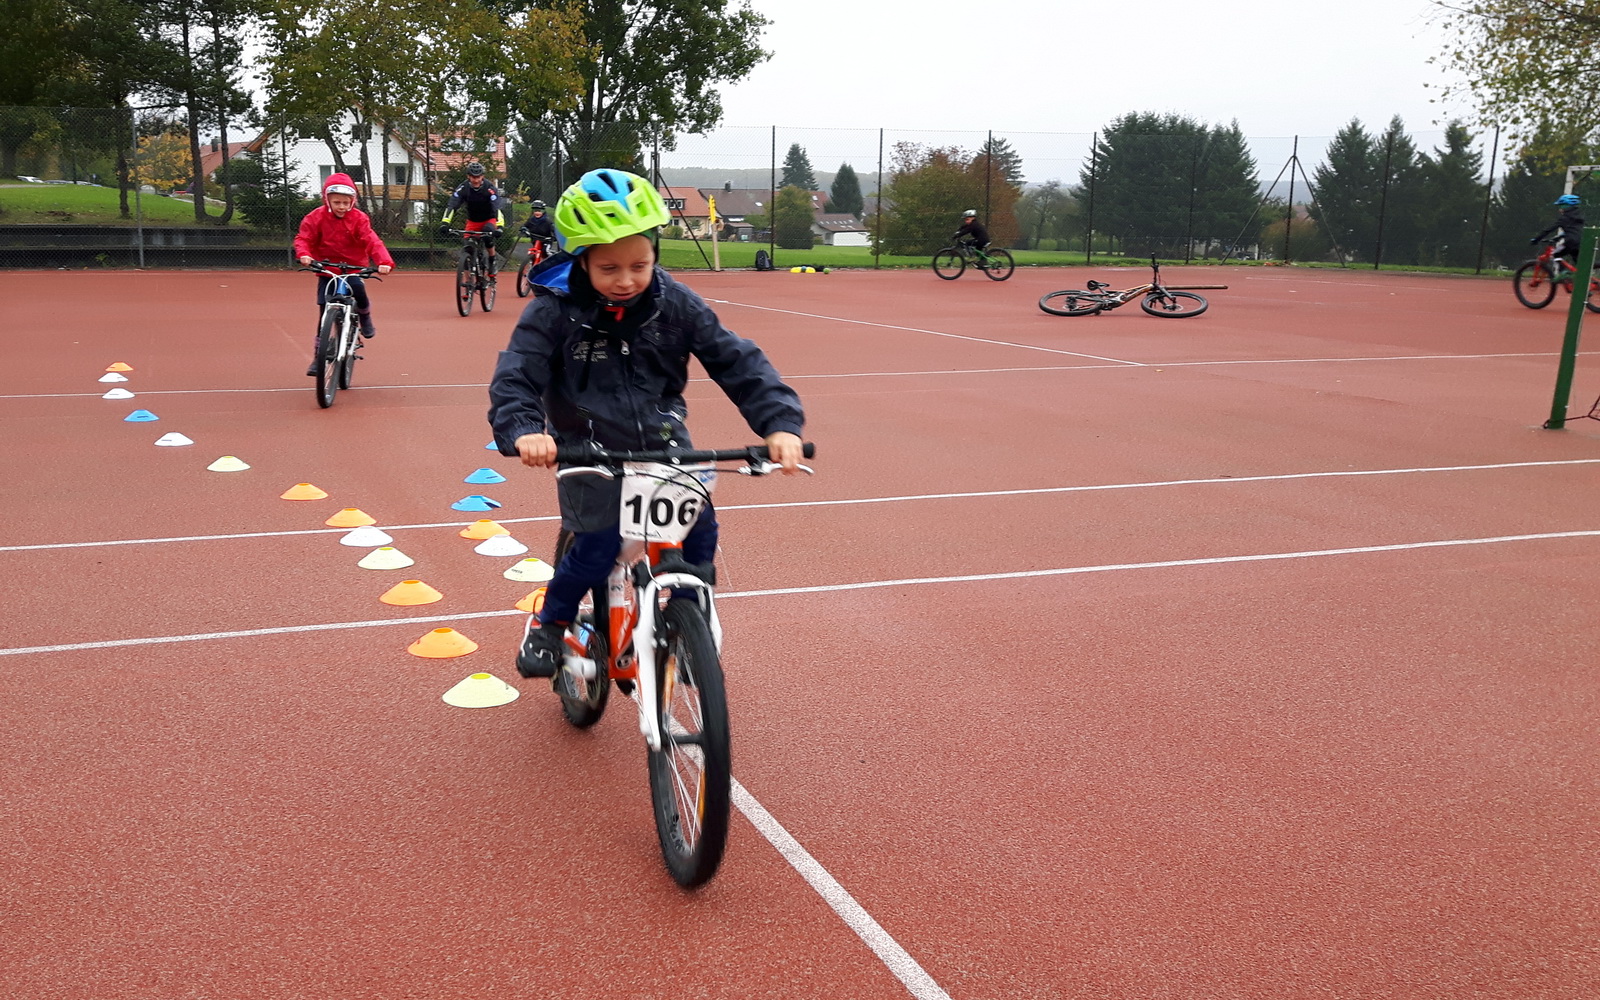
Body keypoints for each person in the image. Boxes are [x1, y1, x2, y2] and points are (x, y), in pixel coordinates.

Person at [488, 168, 806, 680]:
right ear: (580, 260)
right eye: (609, 267)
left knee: (698, 526)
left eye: (640, 264)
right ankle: (550, 624)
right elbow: (517, 373)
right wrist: (525, 429)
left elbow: (735, 360)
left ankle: (688, 613)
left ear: (655, 253)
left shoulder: (674, 303)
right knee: (597, 548)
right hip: (586, 448)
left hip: (662, 439)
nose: (626, 280)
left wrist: (780, 424)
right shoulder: (554, 312)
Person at [294, 173, 394, 377]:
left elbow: (372, 240)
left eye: (346, 203)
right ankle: (319, 357)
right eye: (337, 202)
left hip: (353, 267)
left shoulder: (359, 218)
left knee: (358, 288)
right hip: (327, 268)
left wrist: (384, 261)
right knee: (324, 310)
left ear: (352, 201)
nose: (341, 207)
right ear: (327, 200)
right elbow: (304, 238)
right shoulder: (315, 217)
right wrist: (304, 254)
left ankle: (364, 315)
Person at [438, 162, 509, 276]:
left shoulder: (489, 188)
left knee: (487, 236)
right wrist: (445, 223)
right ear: (468, 176)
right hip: (473, 221)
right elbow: (452, 205)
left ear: (482, 176)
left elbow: (497, 208)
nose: (475, 180)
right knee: (468, 249)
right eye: (472, 177)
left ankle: (492, 260)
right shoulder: (463, 188)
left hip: (489, 219)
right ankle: (467, 283)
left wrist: (500, 226)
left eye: (478, 177)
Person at [1533, 194, 1584, 266]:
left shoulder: (1564, 218)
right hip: (1581, 242)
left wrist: (1537, 239)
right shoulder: (1579, 217)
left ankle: (1562, 272)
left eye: (1561, 206)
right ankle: (1573, 272)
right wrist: (1558, 237)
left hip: (1570, 243)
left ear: (1567, 207)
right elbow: (1573, 231)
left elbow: (1549, 229)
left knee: (1555, 255)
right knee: (1579, 264)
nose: (1559, 209)